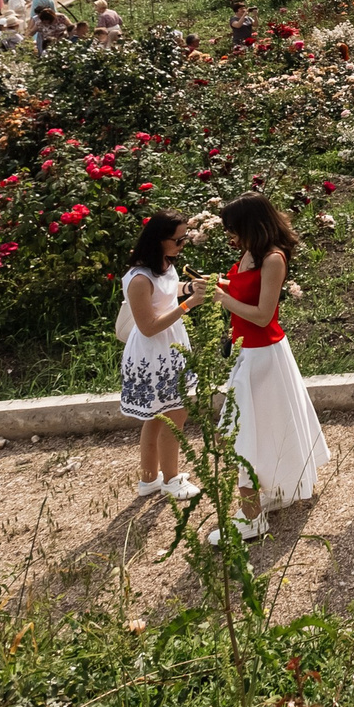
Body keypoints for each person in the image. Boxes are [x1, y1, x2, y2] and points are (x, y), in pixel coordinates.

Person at [206, 196, 329, 539]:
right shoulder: (249, 253)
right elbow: (245, 290)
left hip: (265, 355)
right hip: (249, 353)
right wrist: (219, 284)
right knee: (263, 428)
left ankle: (251, 518)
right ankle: (274, 490)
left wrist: (222, 298)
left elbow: (262, 314)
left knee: (243, 432)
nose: (230, 236)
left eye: (233, 229)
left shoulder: (274, 258)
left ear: (251, 225)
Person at [121, 212, 207, 500]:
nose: (183, 243)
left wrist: (189, 288)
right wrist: (189, 304)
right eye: (179, 239)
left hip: (169, 347)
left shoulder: (163, 265)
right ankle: (171, 479)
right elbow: (148, 327)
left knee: (157, 416)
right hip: (153, 352)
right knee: (174, 413)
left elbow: (169, 289)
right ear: (159, 240)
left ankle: (149, 480)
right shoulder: (139, 279)